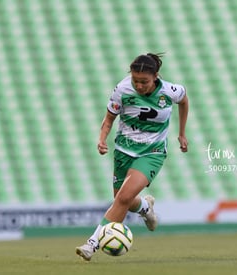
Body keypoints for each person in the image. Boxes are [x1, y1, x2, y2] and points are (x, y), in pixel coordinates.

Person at [75, 53, 189, 261]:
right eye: (135, 80)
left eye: (144, 81)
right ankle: (146, 208)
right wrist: (102, 139)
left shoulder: (169, 91)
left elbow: (184, 101)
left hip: (152, 152)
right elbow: (109, 118)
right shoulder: (122, 89)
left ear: (155, 76)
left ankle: (92, 243)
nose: (139, 85)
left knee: (124, 198)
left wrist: (181, 133)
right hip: (124, 151)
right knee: (122, 198)